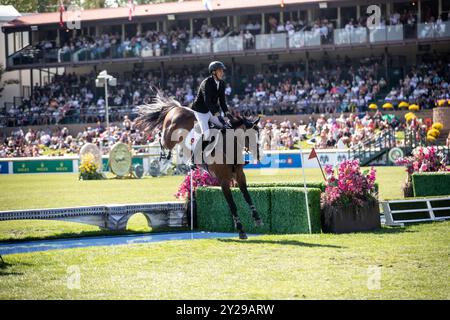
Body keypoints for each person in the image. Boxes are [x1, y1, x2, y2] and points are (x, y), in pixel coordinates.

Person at [190, 61, 233, 165]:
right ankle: (193, 159)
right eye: (220, 70)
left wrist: (227, 113)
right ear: (213, 72)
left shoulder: (222, 83)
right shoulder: (206, 83)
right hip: (201, 111)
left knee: (227, 128)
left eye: (222, 70)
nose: (222, 72)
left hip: (211, 110)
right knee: (207, 134)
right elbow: (207, 101)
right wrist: (218, 115)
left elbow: (222, 101)